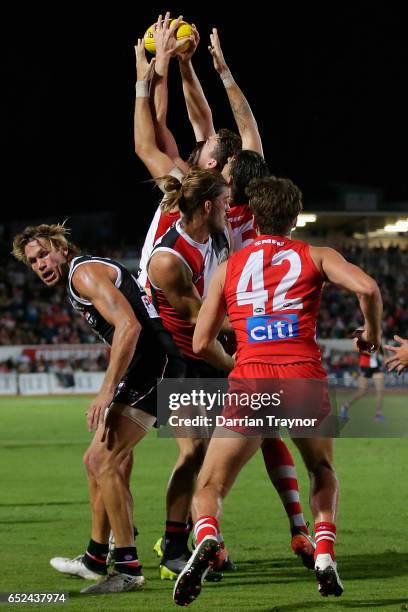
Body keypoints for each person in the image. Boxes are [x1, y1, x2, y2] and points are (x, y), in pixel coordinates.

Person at [135, 17, 315, 576]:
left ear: (217, 174)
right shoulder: (220, 203)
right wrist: (195, 66)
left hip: (206, 327)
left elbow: (188, 131)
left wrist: (163, 70)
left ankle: (201, 541)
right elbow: (219, 126)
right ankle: (185, 543)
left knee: (229, 441)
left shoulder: (199, 198)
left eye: (214, 151)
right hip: (181, 330)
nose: (210, 145)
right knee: (208, 448)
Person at [172, 176, 383, 605]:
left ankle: (208, 535)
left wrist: (240, 365)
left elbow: (199, 342)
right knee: (321, 470)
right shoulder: (316, 254)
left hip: (252, 379)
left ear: (254, 216)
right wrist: (370, 333)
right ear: (296, 217)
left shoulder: (231, 265)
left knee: (210, 484)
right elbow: (368, 288)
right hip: (303, 376)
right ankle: (323, 552)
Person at [12, 223, 184, 595]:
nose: (40, 264)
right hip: (149, 366)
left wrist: (106, 392)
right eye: (32, 261)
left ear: (61, 247)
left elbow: (129, 327)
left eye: (44, 254)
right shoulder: (84, 274)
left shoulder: (83, 273)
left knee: (103, 462)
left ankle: (127, 567)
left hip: (155, 366)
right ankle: (94, 557)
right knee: (102, 461)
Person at [339, 349, 385, 422]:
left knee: (380, 390)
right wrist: (371, 351)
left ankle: (378, 414)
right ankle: (345, 406)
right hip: (365, 365)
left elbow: (380, 351)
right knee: (362, 391)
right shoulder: (362, 338)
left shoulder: (377, 338)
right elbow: (357, 348)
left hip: (376, 366)